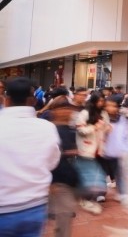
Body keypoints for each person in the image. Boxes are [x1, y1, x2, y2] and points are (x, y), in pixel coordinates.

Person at [0, 77, 61, 236]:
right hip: (35, 206)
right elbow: (53, 162)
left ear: (6, 99)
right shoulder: (47, 127)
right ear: (33, 101)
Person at [47, 98, 80, 237]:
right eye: (62, 108)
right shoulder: (49, 130)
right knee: (63, 216)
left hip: (69, 179)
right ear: (54, 111)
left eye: (68, 108)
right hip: (57, 180)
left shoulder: (71, 129)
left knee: (64, 217)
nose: (66, 112)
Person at [75, 93, 110, 214]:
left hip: (99, 148)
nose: (101, 103)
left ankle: (95, 195)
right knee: (89, 174)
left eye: (102, 101)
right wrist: (94, 127)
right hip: (87, 148)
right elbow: (80, 130)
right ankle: (85, 198)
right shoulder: (85, 113)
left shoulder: (104, 113)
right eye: (99, 101)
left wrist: (107, 128)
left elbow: (105, 127)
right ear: (94, 101)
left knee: (98, 173)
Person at [99, 96, 128, 203]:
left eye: (113, 106)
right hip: (103, 151)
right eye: (108, 105)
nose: (111, 108)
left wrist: (125, 148)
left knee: (119, 174)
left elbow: (127, 134)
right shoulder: (101, 118)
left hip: (117, 151)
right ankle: (100, 193)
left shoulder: (123, 119)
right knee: (101, 174)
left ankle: (122, 193)